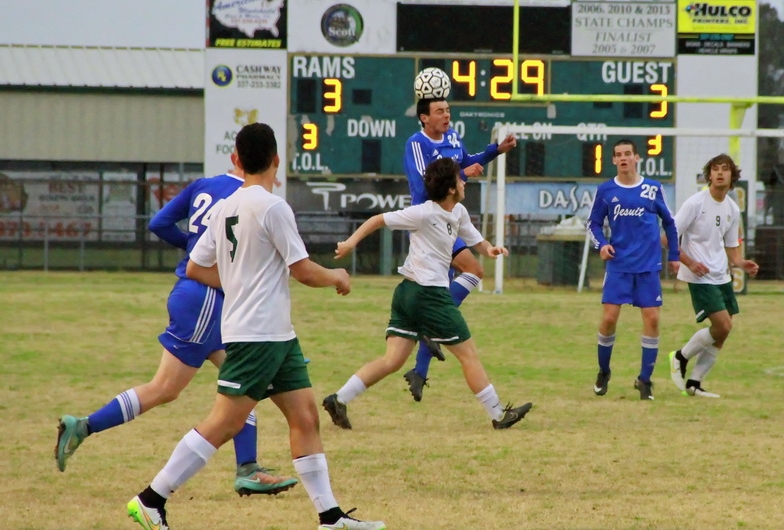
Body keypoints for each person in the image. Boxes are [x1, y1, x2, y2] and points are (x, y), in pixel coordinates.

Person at [126, 123, 385, 530]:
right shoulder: (272, 207)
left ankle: (330, 517)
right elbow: (302, 270)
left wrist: (236, 282)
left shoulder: (225, 206)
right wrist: (337, 276)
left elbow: (196, 266)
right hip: (255, 335)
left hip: (278, 334)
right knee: (225, 423)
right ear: (276, 160)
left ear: (238, 160)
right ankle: (150, 499)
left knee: (305, 417)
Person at [54, 155, 295, 496]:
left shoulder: (202, 186)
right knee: (171, 387)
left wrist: (191, 244)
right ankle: (86, 426)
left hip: (196, 294)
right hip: (207, 296)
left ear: (234, 157)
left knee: (238, 385)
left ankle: (248, 469)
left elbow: (159, 223)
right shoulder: (247, 195)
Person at [322, 157, 532, 431]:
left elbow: (475, 240)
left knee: (393, 360)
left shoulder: (457, 212)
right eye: (459, 178)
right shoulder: (424, 213)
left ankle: (339, 399)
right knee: (468, 354)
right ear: (450, 189)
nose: (463, 181)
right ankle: (498, 415)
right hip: (428, 294)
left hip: (407, 293)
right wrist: (350, 243)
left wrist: (490, 249)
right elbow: (378, 219)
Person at [401, 96, 518, 402]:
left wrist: (496, 150)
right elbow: (424, 183)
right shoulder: (417, 143)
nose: (446, 115)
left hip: (450, 218)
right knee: (474, 269)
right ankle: (427, 336)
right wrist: (464, 175)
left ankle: (419, 370)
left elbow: (468, 160)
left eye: (448, 110)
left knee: (446, 289)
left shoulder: (453, 137)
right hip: (431, 222)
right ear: (424, 118)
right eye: (440, 111)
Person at [587, 139, 680, 401]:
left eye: (628, 153)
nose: (624, 158)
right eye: (618, 155)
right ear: (614, 161)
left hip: (648, 266)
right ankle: (604, 371)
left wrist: (674, 255)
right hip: (619, 265)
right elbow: (593, 224)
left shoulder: (653, 189)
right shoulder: (606, 191)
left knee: (652, 319)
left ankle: (645, 380)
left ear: (637, 158)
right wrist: (602, 245)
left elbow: (670, 224)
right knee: (608, 319)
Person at [668, 154, 759, 398]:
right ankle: (680, 356)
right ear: (709, 175)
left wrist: (740, 262)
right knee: (723, 325)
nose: (720, 173)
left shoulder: (731, 207)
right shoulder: (695, 203)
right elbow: (667, 236)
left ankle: (694, 383)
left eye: (725, 169)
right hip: (699, 277)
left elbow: (730, 246)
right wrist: (689, 262)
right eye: (715, 169)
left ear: (732, 176)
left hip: (722, 276)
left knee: (723, 331)